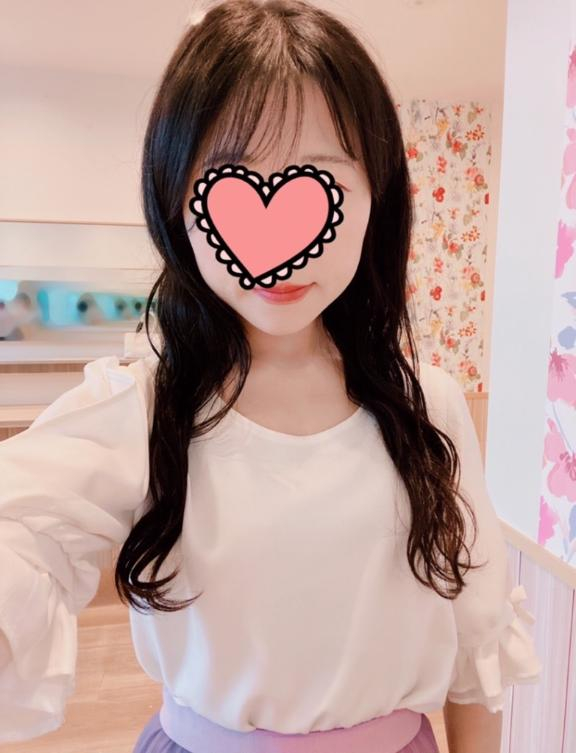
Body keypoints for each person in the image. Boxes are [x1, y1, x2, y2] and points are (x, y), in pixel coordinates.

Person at [0, 0, 542, 750]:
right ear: (178, 204)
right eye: (228, 180)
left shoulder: (429, 407)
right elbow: (22, 523)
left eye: (319, 182)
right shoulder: (144, 405)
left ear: (375, 201)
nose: (277, 249)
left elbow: (477, 640)